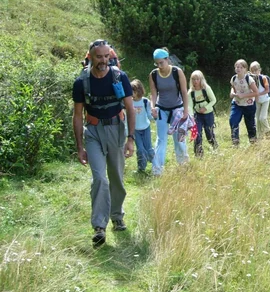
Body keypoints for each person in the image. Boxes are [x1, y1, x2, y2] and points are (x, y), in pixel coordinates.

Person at [73, 40, 135, 247]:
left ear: (110, 56)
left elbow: (130, 108)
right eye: (98, 57)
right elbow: (78, 115)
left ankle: (117, 216)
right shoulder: (82, 82)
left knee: (116, 177)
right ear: (90, 57)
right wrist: (80, 147)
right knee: (100, 178)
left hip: (116, 129)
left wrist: (130, 139)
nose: (103, 61)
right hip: (93, 133)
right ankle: (99, 226)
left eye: (106, 56)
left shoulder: (120, 77)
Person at [149, 48, 190, 175]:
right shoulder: (153, 74)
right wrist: (153, 106)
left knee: (179, 138)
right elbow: (154, 93)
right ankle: (157, 170)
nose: (159, 66)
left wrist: (185, 110)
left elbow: (184, 91)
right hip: (162, 109)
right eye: (157, 63)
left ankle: (183, 165)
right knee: (161, 139)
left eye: (161, 62)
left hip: (177, 109)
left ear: (168, 60)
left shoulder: (177, 72)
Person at [229, 59, 259, 145]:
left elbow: (256, 92)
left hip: (249, 105)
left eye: (241, 67)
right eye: (237, 67)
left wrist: (243, 96)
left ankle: (253, 142)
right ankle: (235, 142)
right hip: (237, 104)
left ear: (245, 69)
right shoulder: (234, 78)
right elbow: (233, 87)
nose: (238, 69)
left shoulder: (249, 79)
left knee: (250, 124)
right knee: (233, 120)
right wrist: (232, 92)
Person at [188, 70, 217, 156]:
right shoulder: (190, 92)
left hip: (208, 114)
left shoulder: (206, 88)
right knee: (197, 134)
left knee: (209, 133)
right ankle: (198, 154)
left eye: (197, 79)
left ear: (201, 79)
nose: (195, 81)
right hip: (198, 115)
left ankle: (215, 148)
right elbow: (189, 106)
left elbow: (213, 100)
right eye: (193, 79)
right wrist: (191, 116)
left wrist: (206, 108)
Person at [130, 79, 155, 173]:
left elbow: (149, 115)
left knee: (148, 148)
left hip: (146, 128)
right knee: (140, 149)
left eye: (134, 91)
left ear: (139, 91)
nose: (132, 94)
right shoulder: (130, 102)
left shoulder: (145, 101)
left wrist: (154, 116)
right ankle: (141, 168)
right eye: (131, 91)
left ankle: (155, 164)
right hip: (135, 129)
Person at [250, 62, 270, 139]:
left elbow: (267, 90)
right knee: (257, 120)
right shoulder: (250, 79)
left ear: (260, 70)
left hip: (265, 100)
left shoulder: (263, 78)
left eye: (256, 70)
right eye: (252, 70)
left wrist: (258, 94)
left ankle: (268, 131)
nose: (254, 72)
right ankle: (260, 137)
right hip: (257, 101)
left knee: (262, 118)